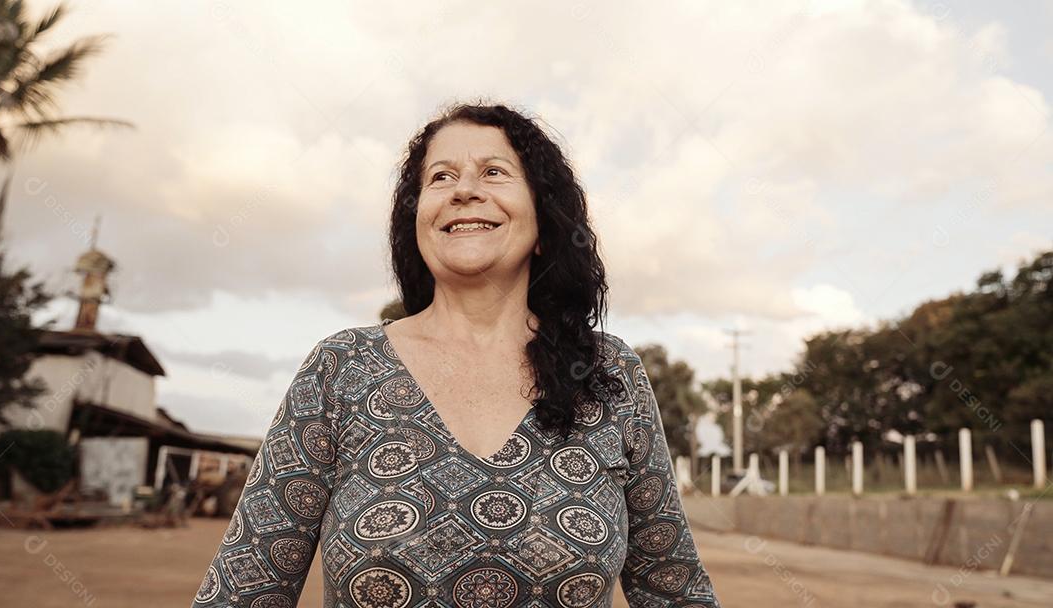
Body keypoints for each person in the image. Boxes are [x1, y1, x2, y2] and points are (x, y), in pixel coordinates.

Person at [191, 102, 722, 607]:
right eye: (440, 177)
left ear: (544, 224)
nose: (464, 189)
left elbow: (674, 587)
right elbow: (242, 590)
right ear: (418, 222)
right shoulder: (341, 368)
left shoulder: (609, 375)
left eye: (493, 172)